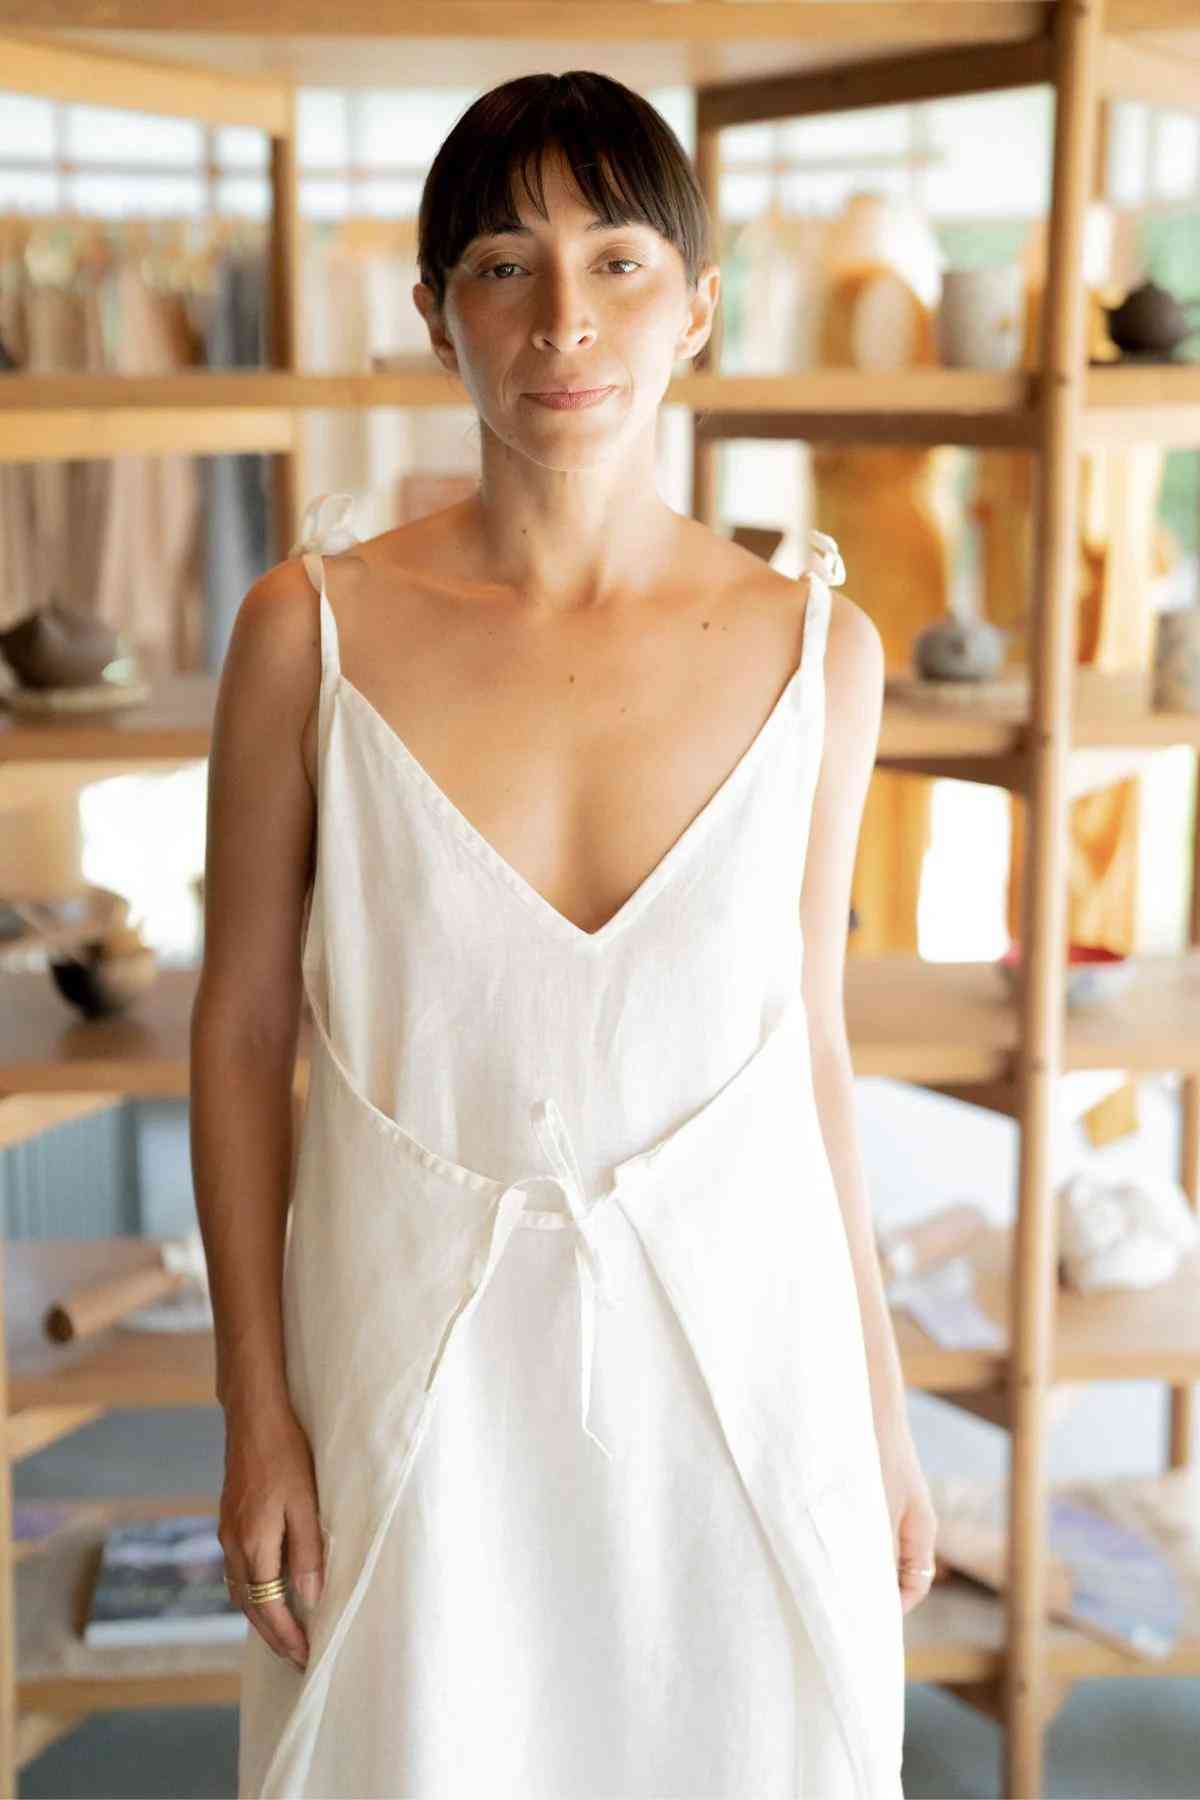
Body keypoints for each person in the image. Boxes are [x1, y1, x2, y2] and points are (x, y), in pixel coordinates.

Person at [190, 68, 936, 1800]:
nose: (562, 323)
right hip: (409, 1377)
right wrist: (255, 1409)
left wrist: (880, 1410)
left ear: (698, 308)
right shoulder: (308, 631)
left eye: (614, 262)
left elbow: (804, 1044)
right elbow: (236, 1032)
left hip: (747, 1383)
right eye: (504, 268)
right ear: (436, 311)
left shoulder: (820, 650)